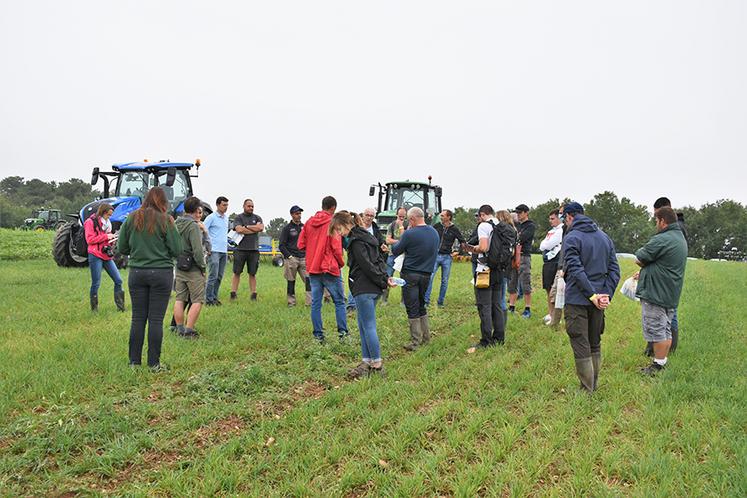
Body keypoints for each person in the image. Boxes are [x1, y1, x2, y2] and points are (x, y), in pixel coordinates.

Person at [118, 187, 182, 371]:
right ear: (163, 201)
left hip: (137, 272)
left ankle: (134, 363)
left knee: (137, 318)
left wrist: (138, 253)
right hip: (161, 273)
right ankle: (154, 363)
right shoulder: (166, 219)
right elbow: (177, 249)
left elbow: (122, 247)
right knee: (155, 320)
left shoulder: (132, 218)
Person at [562, 202, 620, 393]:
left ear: (570, 216)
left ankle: (587, 390)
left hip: (578, 300)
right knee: (595, 342)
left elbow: (576, 270)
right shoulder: (605, 237)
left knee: (580, 342)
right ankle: (593, 385)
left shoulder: (572, 238)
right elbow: (614, 270)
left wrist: (592, 295)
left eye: (564, 217)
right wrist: (605, 295)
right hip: (598, 301)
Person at [635, 207, 688, 376]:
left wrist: (646, 265)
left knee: (657, 329)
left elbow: (640, 257)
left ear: (663, 221)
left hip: (657, 292)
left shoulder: (663, 238)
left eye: (656, 221)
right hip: (670, 291)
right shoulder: (679, 237)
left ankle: (657, 366)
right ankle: (662, 360)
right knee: (665, 329)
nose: (656, 224)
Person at [345, 212, 397, 379]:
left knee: (368, 325)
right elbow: (378, 260)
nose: (339, 234)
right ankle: (367, 360)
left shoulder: (356, 242)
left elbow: (367, 265)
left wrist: (383, 280)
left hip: (364, 287)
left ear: (346, 225)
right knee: (363, 325)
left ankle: (377, 363)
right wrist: (384, 279)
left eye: (338, 229)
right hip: (372, 287)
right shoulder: (370, 238)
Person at [298, 196, 350, 342]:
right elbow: (336, 246)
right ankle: (343, 334)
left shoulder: (309, 222)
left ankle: (318, 335)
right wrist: (340, 262)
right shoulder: (332, 222)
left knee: (316, 303)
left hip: (313, 268)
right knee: (339, 301)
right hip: (330, 268)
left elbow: (300, 244)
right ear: (333, 208)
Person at [464, 205, 511, 351]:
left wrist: (472, 249)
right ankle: (499, 337)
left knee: (484, 305)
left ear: (483, 214)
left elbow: (484, 247)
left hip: (484, 270)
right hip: (499, 270)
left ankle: (486, 340)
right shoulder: (502, 225)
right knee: (496, 304)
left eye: (479, 216)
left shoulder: (484, 226)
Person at [643, 196, 687, 355]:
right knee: (666, 316)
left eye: (657, 216)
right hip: (670, 279)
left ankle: (663, 351)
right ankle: (662, 349)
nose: (656, 222)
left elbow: (658, 254)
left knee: (665, 318)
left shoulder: (675, 230)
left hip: (665, 281)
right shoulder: (677, 228)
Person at [391, 207, 439, 351]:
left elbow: (396, 250)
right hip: (426, 274)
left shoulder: (409, 234)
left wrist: (401, 231)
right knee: (421, 304)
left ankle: (415, 341)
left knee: (412, 307)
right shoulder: (434, 232)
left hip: (410, 274)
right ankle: (426, 337)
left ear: (411, 219)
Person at [173, 197, 208, 339]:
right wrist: (203, 267)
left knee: (180, 298)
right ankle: (189, 330)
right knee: (197, 300)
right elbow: (198, 251)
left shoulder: (176, 223)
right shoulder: (193, 226)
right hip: (193, 268)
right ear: (195, 210)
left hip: (180, 265)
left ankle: (179, 328)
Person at [84, 203, 124, 312]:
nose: (109, 217)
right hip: (95, 254)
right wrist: (106, 236)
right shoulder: (90, 222)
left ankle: (121, 308)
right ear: (102, 212)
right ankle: (94, 309)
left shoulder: (107, 223)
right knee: (96, 283)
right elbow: (90, 240)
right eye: (108, 215)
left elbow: (104, 236)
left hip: (105, 254)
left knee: (118, 280)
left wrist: (112, 239)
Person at [346, 207, 388, 312]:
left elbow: (380, 242)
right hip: (359, 261)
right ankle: (351, 305)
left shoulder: (375, 229)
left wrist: (383, 247)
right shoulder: (357, 229)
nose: (369, 218)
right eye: (367, 215)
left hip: (372, 260)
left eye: (371, 216)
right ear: (362, 215)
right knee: (356, 280)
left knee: (366, 283)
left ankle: (367, 305)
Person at [425, 209, 465, 307]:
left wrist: (458, 252)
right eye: (441, 215)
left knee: (444, 280)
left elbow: (462, 242)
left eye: (443, 216)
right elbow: (427, 233)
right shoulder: (437, 226)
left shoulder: (454, 229)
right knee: (429, 278)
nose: (441, 217)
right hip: (435, 256)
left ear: (448, 217)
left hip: (447, 257)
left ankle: (440, 302)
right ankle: (426, 301)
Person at [230, 199, 264, 301]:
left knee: (252, 273)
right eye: (249, 206)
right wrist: (253, 229)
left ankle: (253, 295)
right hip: (240, 249)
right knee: (237, 272)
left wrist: (247, 227)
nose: (251, 208)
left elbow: (261, 228)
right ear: (244, 206)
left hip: (253, 250)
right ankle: (233, 293)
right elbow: (239, 229)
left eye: (252, 206)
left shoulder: (257, 217)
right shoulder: (239, 217)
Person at [279, 205, 311, 307]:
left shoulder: (304, 227)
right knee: (291, 281)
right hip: (291, 258)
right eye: (297, 213)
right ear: (292, 214)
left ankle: (309, 303)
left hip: (304, 258)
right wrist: (289, 257)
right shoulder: (287, 229)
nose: (299, 215)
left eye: (300, 213)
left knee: (309, 280)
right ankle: (291, 302)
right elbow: (281, 245)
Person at [508, 204, 536, 318]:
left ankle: (527, 308)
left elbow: (521, 239)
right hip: (514, 256)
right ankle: (511, 307)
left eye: (520, 213)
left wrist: (514, 239)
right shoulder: (516, 226)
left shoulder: (530, 226)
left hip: (524, 256)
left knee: (525, 283)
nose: (518, 215)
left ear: (526, 213)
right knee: (512, 283)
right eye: (517, 213)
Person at [203, 196, 229, 306]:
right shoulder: (211, 217)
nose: (226, 207)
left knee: (219, 276)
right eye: (224, 205)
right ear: (218, 205)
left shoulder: (226, 218)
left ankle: (214, 297)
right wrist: (206, 247)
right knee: (213, 275)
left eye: (227, 205)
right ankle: (208, 299)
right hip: (213, 250)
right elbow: (203, 231)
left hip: (224, 251)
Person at [539, 209, 563, 323]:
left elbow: (548, 244)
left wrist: (545, 245)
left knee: (555, 291)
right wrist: (545, 245)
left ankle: (556, 316)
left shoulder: (561, 230)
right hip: (547, 262)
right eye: (550, 218)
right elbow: (542, 245)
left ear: (559, 218)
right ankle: (550, 313)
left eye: (553, 218)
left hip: (555, 262)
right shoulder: (551, 231)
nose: (550, 221)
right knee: (548, 289)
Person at [494, 210, 517, 326]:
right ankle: (502, 324)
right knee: (501, 297)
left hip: (501, 267)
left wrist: (498, 264)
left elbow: (504, 251)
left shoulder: (502, 229)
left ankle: (501, 325)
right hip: (507, 267)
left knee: (500, 298)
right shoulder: (513, 230)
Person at [382, 207, 408, 304]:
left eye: (403, 216)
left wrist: (401, 227)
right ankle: (384, 300)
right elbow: (388, 240)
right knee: (388, 276)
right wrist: (400, 242)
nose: (401, 218)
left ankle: (403, 301)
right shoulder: (392, 225)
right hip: (392, 255)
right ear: (396, 215)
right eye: (400, 216)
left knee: (404, 277)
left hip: (404, 255)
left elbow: (406, 238)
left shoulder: (408, 225)